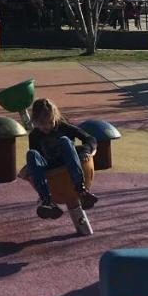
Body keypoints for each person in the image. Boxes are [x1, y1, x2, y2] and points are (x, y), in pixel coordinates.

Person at [18, 97, 99, 235]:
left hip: (67, 163)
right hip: (50, 168)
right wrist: (30, 171)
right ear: (35, 122)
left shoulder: (63, 126)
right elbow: (36, 160)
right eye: (41, 124)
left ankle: (81, 190)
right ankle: (47, 200)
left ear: (54, 117)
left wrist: (86, 151)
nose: (46, 127)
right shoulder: (35, 135)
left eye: (49, 123)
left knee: (64, 140)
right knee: (31, 153)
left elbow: (90, 138)